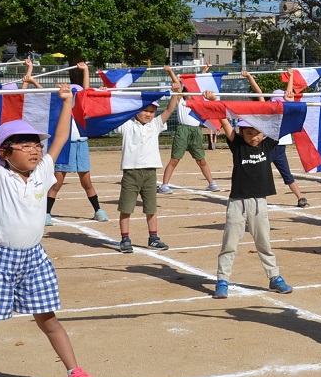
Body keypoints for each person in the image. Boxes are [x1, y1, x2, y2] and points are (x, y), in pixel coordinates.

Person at [0, 85, 97, 377]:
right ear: (4, 152)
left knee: (49, 319)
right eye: (24, 144)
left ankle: (74, 374)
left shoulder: (43, 172)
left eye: (36, 144)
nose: (34, 150)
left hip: (34, 258)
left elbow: (61, 137)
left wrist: (67, 102)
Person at [205, 90, 293, 299]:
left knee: (264, 243)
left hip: (258, 202)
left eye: (258, 132)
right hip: (237, 202)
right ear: (241, 132)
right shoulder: (237, 145)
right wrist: (215, 101)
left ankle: (274, 277)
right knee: (229, 244)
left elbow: (283, 122)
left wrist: (287, 102)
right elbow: (224, 120)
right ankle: (222, 280)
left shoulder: (268, 144)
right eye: (249, 133)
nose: (254, 137)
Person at [20, 64, 110, 226]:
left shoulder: (83, 108)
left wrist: (86, 70)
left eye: (76, 94)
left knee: (87, 182)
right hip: (66, 146)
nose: (75, 96)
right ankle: (46, 213)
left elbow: (87, 90)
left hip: (81, 145)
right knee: (57, 183)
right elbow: (47, 97)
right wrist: (33, 82)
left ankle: (98, 210)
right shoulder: (62, 108)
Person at [116, 86, 180, 253]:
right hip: (131, 172)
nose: (148, 114)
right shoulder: (126, 125)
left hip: (150, 173)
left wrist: (175, 93)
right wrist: (108, 94)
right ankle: (125, 239)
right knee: (126, 208)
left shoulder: (156, 124)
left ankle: (153, 238)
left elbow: (170, 109)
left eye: (152, 111)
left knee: (151, 208)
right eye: (145, 110)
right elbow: (113, 112)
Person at [242, 70, 308, 207]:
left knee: (286, 174)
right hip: (268, 145)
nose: (278, 103)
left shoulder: (288, 109)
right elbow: (259, 92)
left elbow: (289, 94)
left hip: (280, 147)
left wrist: (291, 77)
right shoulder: (268, 109)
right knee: (260, 171)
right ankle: (255, 197)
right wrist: (249, 77)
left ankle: (300, 197)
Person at [158, 65, 221, 195]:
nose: (191, 94)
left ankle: (211, 183)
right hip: (183, 131)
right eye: (188, 91)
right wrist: (170, 71)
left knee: (201, 160)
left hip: (196, 131)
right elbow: (176, 85)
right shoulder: (181, 100)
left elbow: (199, 83)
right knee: (175, 159)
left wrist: (204, 71)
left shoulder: (199, 102)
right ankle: (164, 185)